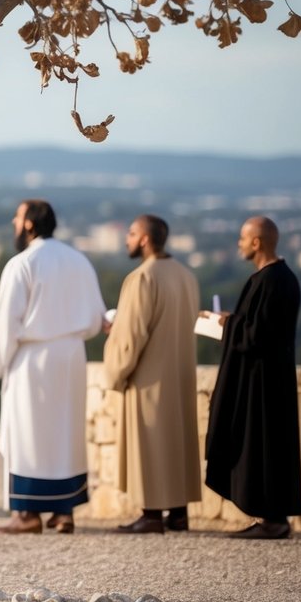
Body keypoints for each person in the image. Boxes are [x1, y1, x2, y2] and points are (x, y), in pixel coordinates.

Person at [0, 199, 105, 534]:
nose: (13, 221)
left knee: (28, 435)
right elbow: (96, 317)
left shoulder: (23, 263)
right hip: (70, 356)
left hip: (32, 360)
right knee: (65, 433)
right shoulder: (78, 260)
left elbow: (6, 321)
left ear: (29, 224)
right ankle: (64, 511)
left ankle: (27, 514)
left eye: (18, 216)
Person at [204, 216, 301, 539]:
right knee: (262, 445)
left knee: (264, 446)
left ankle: (274, 519)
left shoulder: (272, 281)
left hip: (263, 382)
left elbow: (258, 336)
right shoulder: (276, 278)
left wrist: (226, 325)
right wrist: (234, 321)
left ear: (257, 242)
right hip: (264, 379)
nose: (239, 243)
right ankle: (270, 516)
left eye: (243, 238)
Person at [102, 214, 201, 534]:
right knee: (176, 441)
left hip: (149, 376)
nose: (127, 239)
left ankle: (152, 514)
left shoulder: (142, 278)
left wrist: (116, 373)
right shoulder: (186, 275)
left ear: (144, 239)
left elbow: (131, 336)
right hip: (181, 372)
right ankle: (178, 513)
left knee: (151, 443)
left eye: (131, 233)